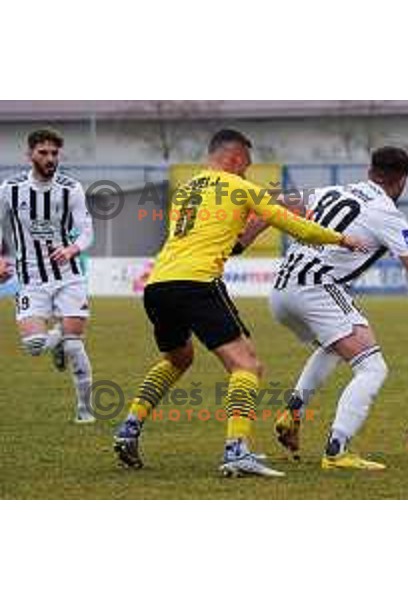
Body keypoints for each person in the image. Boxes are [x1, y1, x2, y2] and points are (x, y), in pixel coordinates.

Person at [113, 129, 367, 477]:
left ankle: (129, 428)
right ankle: (236, 451)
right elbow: (297, 227)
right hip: (197, 282)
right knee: (246, 366)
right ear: (233, 159)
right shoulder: (240, 188)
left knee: (177, 358)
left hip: (158, 284)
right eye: (245, 166)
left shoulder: (187, 191)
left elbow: (221, 240)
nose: (246, 173)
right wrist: (343, 239)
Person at [234, 146, 408, 470]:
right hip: (315, 288)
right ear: (402, 181)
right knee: (373, 367)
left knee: (335, 345)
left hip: (280, 291)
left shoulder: (333, 191)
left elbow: (275, 204)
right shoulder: (387, 213)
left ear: (371, 170)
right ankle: (336, 450)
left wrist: (241, 242)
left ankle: (294, 411)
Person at [0, 128, 95, 422]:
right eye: (43, 152)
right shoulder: (9, 189)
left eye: (54, 153)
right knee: (33, 346)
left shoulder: (71, 189)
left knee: (75, 345)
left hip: (68, 275)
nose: (50, 158)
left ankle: (84, 410)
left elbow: (88, 230)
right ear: (29, 155)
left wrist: (72, 249)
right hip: (29, 277)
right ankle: (57, 339)